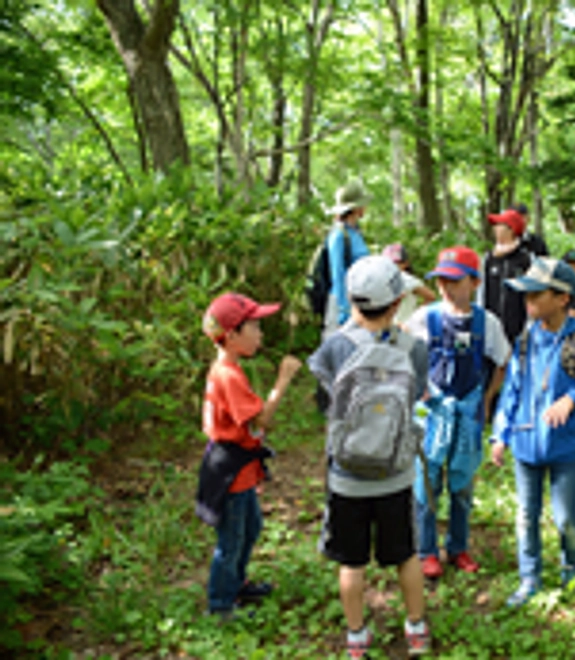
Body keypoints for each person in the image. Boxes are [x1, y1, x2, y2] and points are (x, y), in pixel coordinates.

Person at [307, 256, 431, 657]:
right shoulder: (415, 349)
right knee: (406, 555)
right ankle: (415, 628)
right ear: (396, 304)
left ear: (351, 299)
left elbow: (325, 401)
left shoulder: (335, 348)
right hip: (395, 471)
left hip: (347, 474)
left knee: (352, 562)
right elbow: (417, 396)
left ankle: (357, 637)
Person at [489, 258, 575, 607]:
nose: (527, 301)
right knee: (526, 515)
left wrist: (573, 399)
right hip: (525, 446)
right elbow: (512, 390)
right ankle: (530, 578)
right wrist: (500, 434)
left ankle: (571, 569)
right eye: (525, 294)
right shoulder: (526, 339)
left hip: (564, 448)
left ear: (562, 298)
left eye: (536, 294)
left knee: (565, 517)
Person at [402, 246, 510, 580]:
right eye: (441, 281)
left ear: (475, 283)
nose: (446, 288)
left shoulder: (486, 322)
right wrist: (415, 388)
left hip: (468, 410)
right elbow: (402, 351)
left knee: (462, 484)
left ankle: (459, 547)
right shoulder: (424, 318)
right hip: (432, 410)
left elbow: (503, 362)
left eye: (455, 280)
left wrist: (487, 399)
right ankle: (426, 551)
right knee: (427, 482)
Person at [196, 293, 302, 618]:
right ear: (231, 336)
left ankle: (237, 584)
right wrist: (283, 381)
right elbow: (262, 420)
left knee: (251, 528)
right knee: (231, 539)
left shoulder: (229, 369)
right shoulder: (228, 375)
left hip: (239, 466)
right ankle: (221, 605)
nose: (260, 334)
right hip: (230, 470)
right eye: (254, 327)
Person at [479, 208, 535, 345]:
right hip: (490, 332)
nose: (495, 229)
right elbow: (481, 293)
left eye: (500, 225)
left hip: (519, 331)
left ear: (511, 230)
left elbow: (533, 294)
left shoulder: (527, 259)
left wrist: (530, 326)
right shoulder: (488, 259)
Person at [324, 181, 371, 335]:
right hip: (342, 305)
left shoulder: (356, 232)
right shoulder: (338, 235)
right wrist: (343, 313)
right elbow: (338, 274)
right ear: (355, 208)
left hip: (359, 302)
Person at [382, 243, 436, 325]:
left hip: (403, 326)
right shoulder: (381, 278)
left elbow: (430, 296)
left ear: (405, 264)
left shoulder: (407, 279)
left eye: (396, 262)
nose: (391, 266)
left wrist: (414, 318)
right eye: (388, 262)